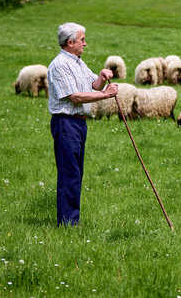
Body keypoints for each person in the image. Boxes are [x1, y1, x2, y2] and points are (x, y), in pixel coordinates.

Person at [47, 22, 119, 226]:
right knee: (69, 172)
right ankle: (68, 222)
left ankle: (71, 219)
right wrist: (104, 95)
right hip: (65, 123)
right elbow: (75, 97)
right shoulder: (60, 65)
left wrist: (102, 78)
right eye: (82, 40)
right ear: (70, 43)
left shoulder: (78, 62)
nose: (85, 43)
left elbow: (93, 85)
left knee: (77, 172)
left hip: (79, 123)